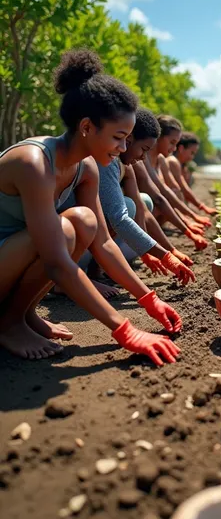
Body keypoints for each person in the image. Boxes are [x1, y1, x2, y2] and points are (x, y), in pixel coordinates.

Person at [0, 50, 181, 364]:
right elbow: (56, 261)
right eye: (119, 137)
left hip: (9, 258)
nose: (124, 148)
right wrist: (123, 328)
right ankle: (9, 323)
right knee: (68, 230)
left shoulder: (86, 167)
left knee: (83, 222)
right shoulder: (34, 163)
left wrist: (148, 299)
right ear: (86, 127)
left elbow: (104, 243)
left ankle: (24, 314)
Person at [97, 108, 195, 282]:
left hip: (94, 239)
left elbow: (142, 206)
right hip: (71, 247)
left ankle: (97, 269)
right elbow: (122, 216)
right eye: (143, 149)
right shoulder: (107, 162)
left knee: (140, 203)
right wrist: (167, 255)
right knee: (128, 206)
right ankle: (92, 271)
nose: (143, 157)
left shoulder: (124, 165)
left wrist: (152, 251)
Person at [134, 116, 209, 250]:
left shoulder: (161, 159)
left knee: (172, 193)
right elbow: (160, 196)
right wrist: (189, 228)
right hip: (140, 215)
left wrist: (190, 219)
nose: (174, 148)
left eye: (176, 143)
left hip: (151, 214)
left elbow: (167, 193)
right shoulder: (142, 158)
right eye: (172, 142)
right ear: (158, 137)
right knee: (154, 201)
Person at [167, 132, 216, 216]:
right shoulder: (172, 161)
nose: (192, 157)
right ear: (181, 148)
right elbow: (184, 189)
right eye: (192, 153)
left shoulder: (183, 165)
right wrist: (203, 207)